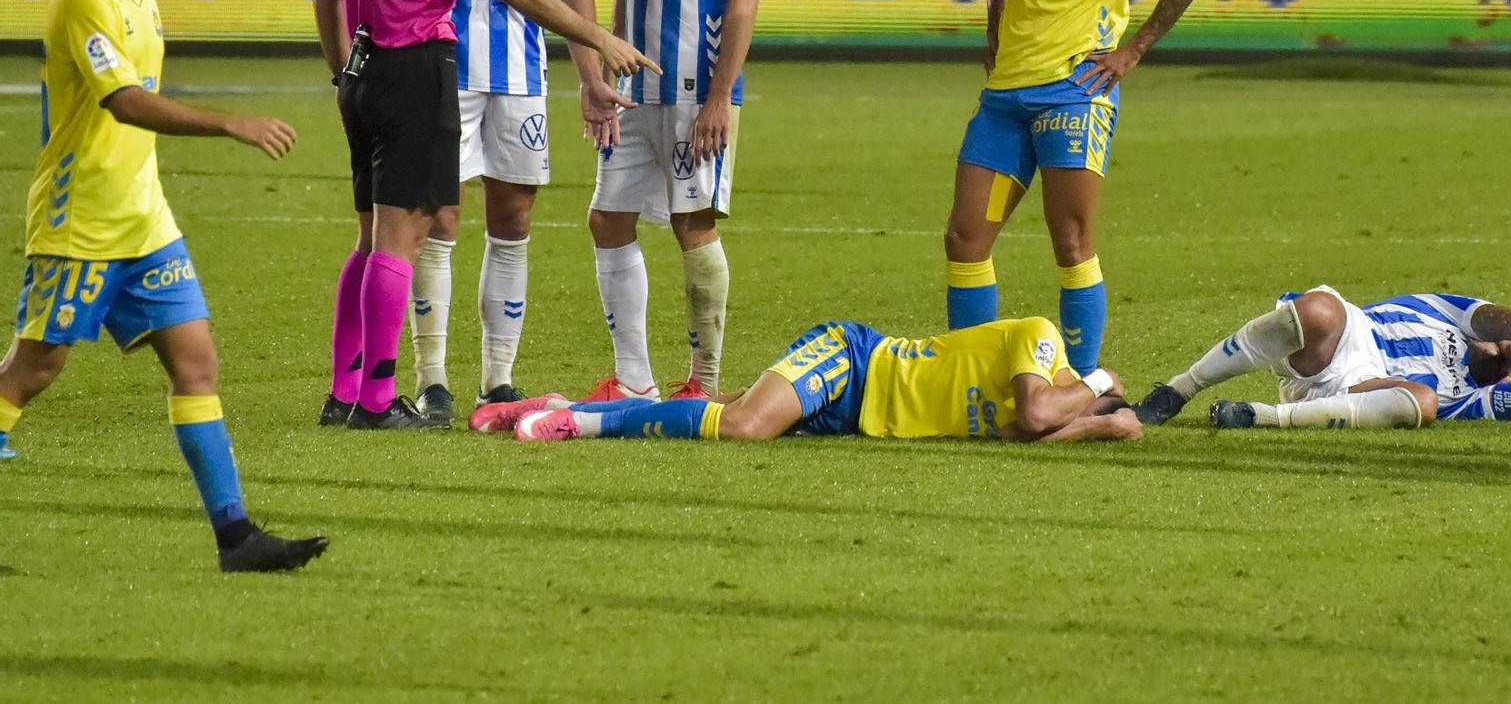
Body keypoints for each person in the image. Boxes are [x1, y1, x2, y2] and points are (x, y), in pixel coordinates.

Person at [0, 0, 327, 571]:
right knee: (32, 371)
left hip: (144, 220)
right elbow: (123, 102)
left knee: (197, 362)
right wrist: (229, 123)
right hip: (79, 220)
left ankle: (235, 536)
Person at [311, 0, 654, 430]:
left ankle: (344, 391)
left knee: (369, 238)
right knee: (404, 238)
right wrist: (597, 38)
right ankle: (379, 402)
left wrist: (341, 71)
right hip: (417, 76)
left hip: (363, 77)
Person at [944, 0, 1206, 375]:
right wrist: (992, 32)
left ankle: (1084, 382)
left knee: (1071, 244)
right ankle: (971, 379)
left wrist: (1131, 51)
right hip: (1006, 95)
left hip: (1074, 93)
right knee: (965, 240)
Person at [405, 0, 628, 423]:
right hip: (446, 70)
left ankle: (498, 379)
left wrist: (590, 74)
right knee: (440, 219)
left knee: (514, 221)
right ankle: (433, 377)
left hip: (523, 75)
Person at [583, 0, 762, 403]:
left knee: (694, 225)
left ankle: (705, 386)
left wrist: (721, 97)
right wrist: (607, 67)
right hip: (636, 88)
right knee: (607, 218)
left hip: (695, 89)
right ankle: (633, 379)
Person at [466, 315, 1142, 445]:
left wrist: (1103, 422)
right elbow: (1037, 411)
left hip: (854, 416)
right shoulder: (1041, 335)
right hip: (853, 359)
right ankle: (578, 424)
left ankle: (560, 401)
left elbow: (1042, 430)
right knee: (743, 425)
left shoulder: (1054, 410)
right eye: (1083, 394)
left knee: (716, 407)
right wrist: (1101, 380)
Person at [1132, 288, 1511, 431]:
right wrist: (1509, 339)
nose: (1507, 348)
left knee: (1424, 403)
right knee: (1319, 309)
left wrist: (1496, 374)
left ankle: (1258, 416)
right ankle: (1178, 390)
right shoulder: (1445, 313)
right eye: (1502, 342)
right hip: (1351, 335)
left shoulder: (1473, 398)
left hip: (1358, 387)